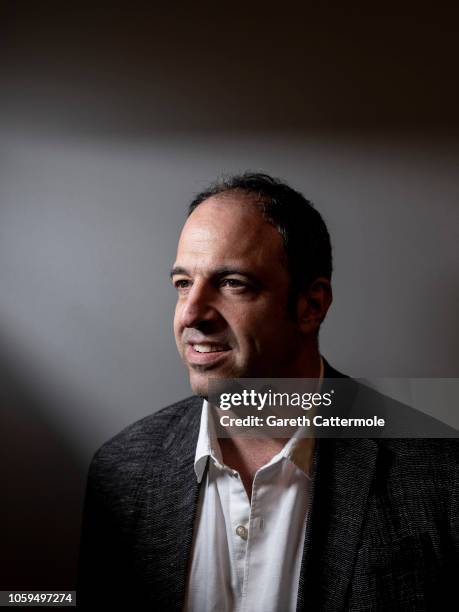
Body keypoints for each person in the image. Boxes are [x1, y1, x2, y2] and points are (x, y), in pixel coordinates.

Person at [77, 173, 457, 611]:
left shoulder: (439, 469)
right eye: (183, 284)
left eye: (233, 283)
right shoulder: (122, 471)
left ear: (310, 306)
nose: (192, 314)